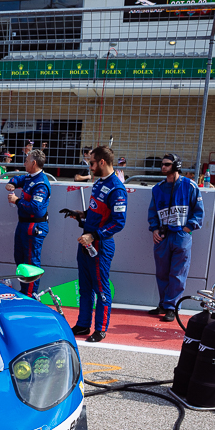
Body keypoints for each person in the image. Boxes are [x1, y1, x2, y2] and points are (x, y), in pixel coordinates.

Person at [63, 146, 127, 342]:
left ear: (102, 162)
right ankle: (83, 324)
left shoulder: (117, 188)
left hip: (100, 245)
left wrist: (94, 236)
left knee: (101, 289)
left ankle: (100, 329)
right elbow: (96, 211)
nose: (88, 166)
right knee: (84, 287)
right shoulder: (99, 183)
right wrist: (81, 215)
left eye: (91, 163)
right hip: (86, 242)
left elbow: (119, 222)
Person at [146, 154, 204, 323]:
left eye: (167, 164)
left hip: (181, 236)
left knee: (178, 274)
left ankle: (172, 307)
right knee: (162, 272)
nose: (163, 167)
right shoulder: (157, 188)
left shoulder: (190, 186)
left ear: (176, 165)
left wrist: (187, 229)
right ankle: (163, 304)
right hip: (163, 237)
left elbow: (199, 212)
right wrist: (154, 229)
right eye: (162, 164)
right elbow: (152, 212)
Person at [5, 149, 52, 297]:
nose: (24, 163)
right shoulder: (29, 177)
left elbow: (35, 208)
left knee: (31, 263)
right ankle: (24, 291)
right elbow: (18, 179)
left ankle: (30, 296)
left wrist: (17, 200)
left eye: (26, 160)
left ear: (34, 163)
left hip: (34, 226)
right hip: (23, 224)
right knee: (20, 260)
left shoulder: (41, 183)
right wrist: (11, 183)